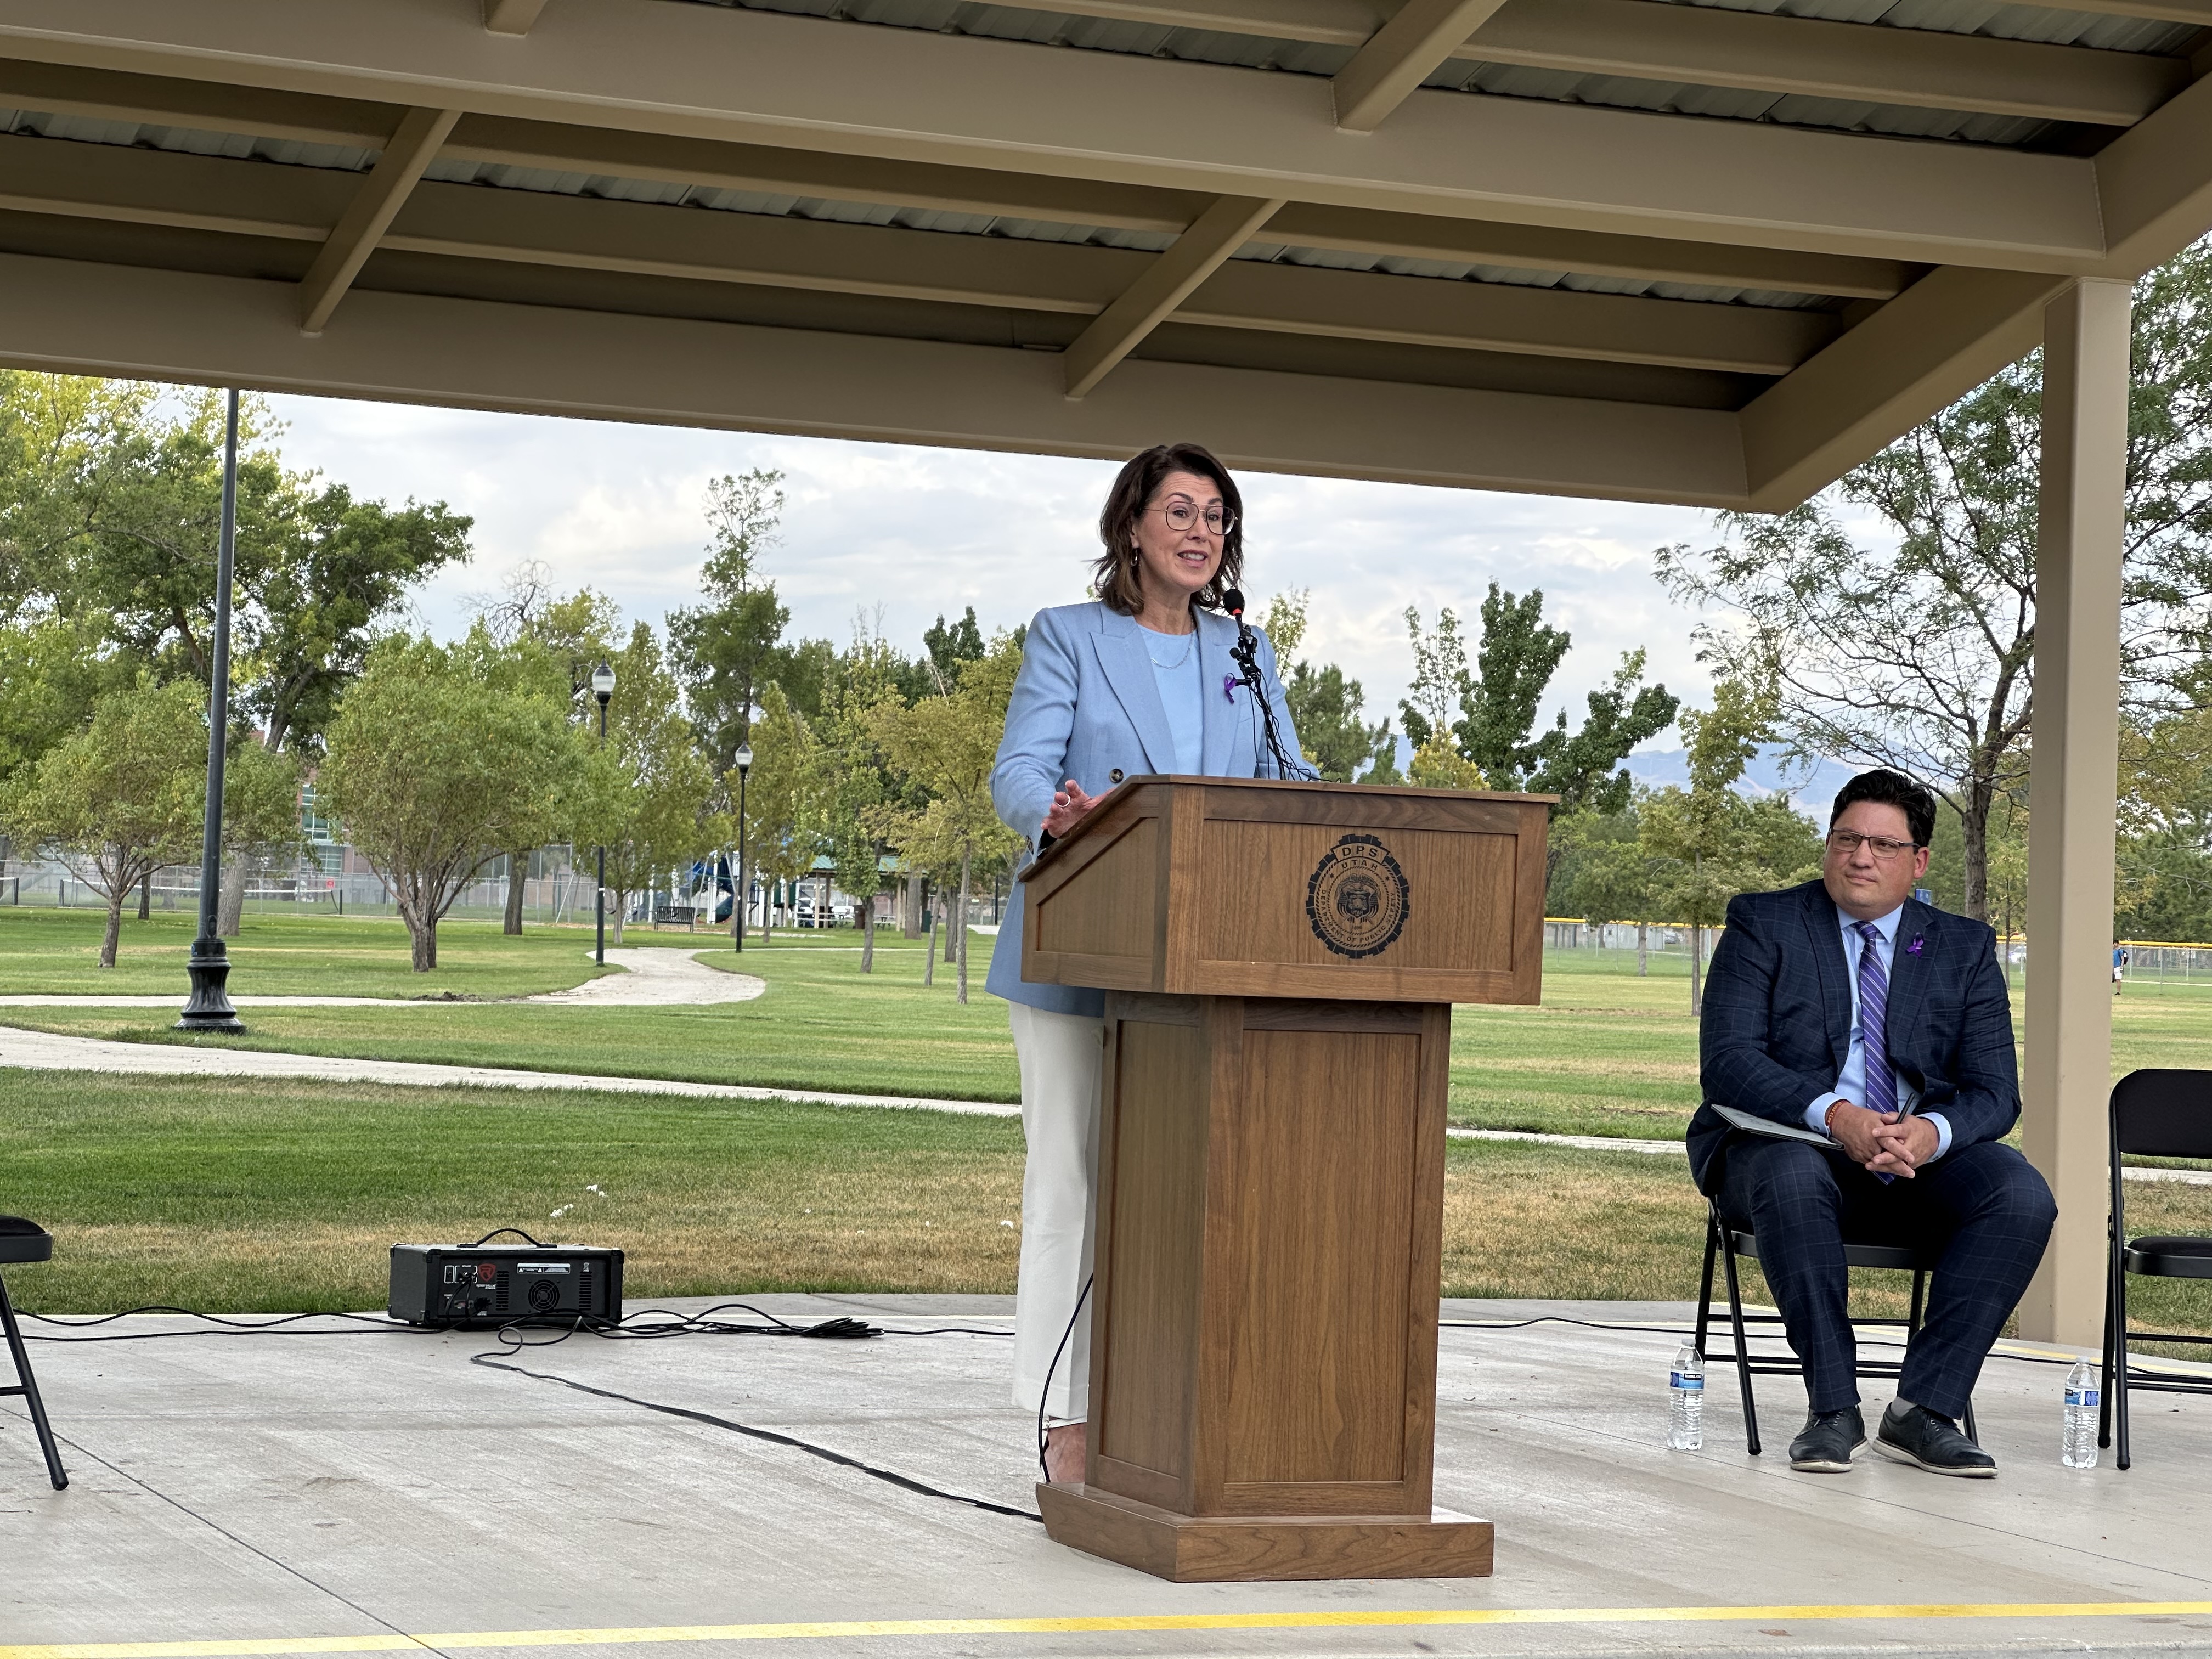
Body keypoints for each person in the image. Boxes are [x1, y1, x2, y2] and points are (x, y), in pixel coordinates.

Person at [985, 441, 1304, 1484]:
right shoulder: (1068, 636)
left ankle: (1174, 1405)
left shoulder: (1244, 654)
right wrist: (1057, 814)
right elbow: (1021, 771)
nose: (1201, 531)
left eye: (1217, 516)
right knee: (1071, 1183)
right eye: (1180, 510)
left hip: (1205, 968)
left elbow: (1290, 782)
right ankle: (1065, 1416)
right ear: (1132, 525)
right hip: (1084, 944)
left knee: (1188, 1192)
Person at [1691, 768, 2056, 1479]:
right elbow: (1729, 1063)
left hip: (1913, 1160)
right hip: (1781, 1147)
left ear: (1918, 861)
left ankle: (1924, 1410)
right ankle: (1833, 1409)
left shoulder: (1962, 946)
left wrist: (1930, 1134)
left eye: (1883, 846)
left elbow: (1995, 1092)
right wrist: (1837, 1116)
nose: (1862, 857)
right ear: (1828, 844)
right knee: (1796, 1176)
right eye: (1847, 839)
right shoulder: (1764, 923)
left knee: (2019, 1193)